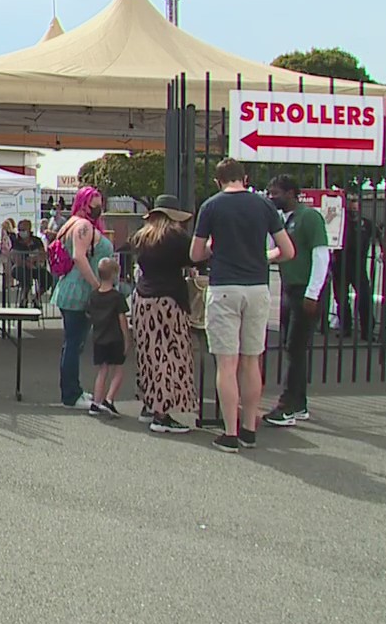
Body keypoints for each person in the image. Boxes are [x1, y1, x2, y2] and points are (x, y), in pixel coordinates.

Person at [190, 158, 296, 453]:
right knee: (251, 360)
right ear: (245, 178)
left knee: (227, 362)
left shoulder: (211, 206)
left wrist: (215, 245)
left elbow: (196, 253)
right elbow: (287, 250)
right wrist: (265, 256)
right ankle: (249, 428)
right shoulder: (264, 206)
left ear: (217, 181)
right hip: (257, 288)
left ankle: (229, 431)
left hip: (224, 287)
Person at [264, 175, 329, 428]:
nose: (271, 197)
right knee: (292, 347)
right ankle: (298, 403)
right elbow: (279, 252)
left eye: (276, 193)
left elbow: (321, 255)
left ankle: (288, 404)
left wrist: (313, 293)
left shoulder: (309, 218)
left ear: (291, 193)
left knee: (295, 347)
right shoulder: (284, 220)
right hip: (290, 289)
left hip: (305, 290)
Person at [129, 194, 197, 434]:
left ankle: (149, 405)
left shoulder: (141, 236)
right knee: (169, 356)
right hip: (168, 300)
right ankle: (162, 414)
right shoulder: (177, 238)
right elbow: (194, 258)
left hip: (143, 298)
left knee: (149, 354)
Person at [50, 186, 114, 409]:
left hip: (72, 288)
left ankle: (73, 389)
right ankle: (70, 394)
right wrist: (97, 287)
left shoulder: (72, 223)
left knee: (74, 343)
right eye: (94, 204)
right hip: (79, 290)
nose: (98, 208)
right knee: (74, 342)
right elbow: (79, 257)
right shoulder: (83, 226)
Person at [86, 257, 131, 417]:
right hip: (115, 338)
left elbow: (89, 314)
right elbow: (122, 320)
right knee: (118, 370)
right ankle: (109, 399)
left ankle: (95, 403)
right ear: (114, 275)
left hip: (99, 337)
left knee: (102, 370)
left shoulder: (93, 296)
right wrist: (127, 340)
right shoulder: (117, 297)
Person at [332, 191, 379, 340]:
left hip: (359, 266)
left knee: (364, 297)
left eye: (355, 203)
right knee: (341, 299)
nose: (353, 207)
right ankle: (345, 327)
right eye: (350, 203)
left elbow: (379, 236)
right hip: (340, 265)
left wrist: (383, 252)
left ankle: (367, 331)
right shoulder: (338, 222)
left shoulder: (366, 223)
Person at [11, 219, 50, 306]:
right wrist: (26, 262)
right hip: (19, 267)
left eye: (24, 230)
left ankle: (36, 297)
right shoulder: (15, 242)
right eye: (20, 230)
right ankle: (24, 298)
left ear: (29, 230)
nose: (21, 232)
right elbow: (14, 257)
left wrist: (35, 259)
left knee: (47, 277)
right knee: (25, 276)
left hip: (35, 267)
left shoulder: (37, 241)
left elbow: (43, 255)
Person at [0, 218, 17, 290]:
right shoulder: (5, 234)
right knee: (5, 269)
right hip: (4, 253)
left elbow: (11, 244)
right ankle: (7, 283)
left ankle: (10, 283)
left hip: (9, 253)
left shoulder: (11, 235)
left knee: (8, 269)